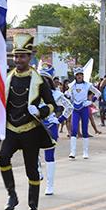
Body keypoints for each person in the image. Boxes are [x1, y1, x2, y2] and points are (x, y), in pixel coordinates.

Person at [0, 34, 60, 210]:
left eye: (22, 56)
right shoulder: (7, 78)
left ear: (30, 57)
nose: (18, 60)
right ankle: (12, 194)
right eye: (16, 56)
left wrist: (40, 111)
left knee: (31, 171)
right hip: (11, 128)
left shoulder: (39, 80)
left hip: (30, 130)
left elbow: (52, 105)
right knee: (3, 157)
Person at [39, 65, 67, 195]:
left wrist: (60, 120)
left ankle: (50, 185)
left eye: (45, 78)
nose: (42, 81)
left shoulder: (57, 94)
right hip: (36, 126)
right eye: (40, 78)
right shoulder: (33, 94)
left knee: (49, 156)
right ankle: (38, 170)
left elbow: (69, 107)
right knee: (31, 152)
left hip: (51, 127)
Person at [67, 66, 99, 160]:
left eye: (81, 74)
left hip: (84, 108)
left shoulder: (87, 85)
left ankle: (85, 152)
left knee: (85, 130)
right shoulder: (71, 85)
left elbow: (98, 93)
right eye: (77, 75)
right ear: (75, 76)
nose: (79, 76)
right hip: (75, 109)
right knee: (74, 129)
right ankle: (72, 152)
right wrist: (68, 96)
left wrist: (91, 101)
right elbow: (67, 94)